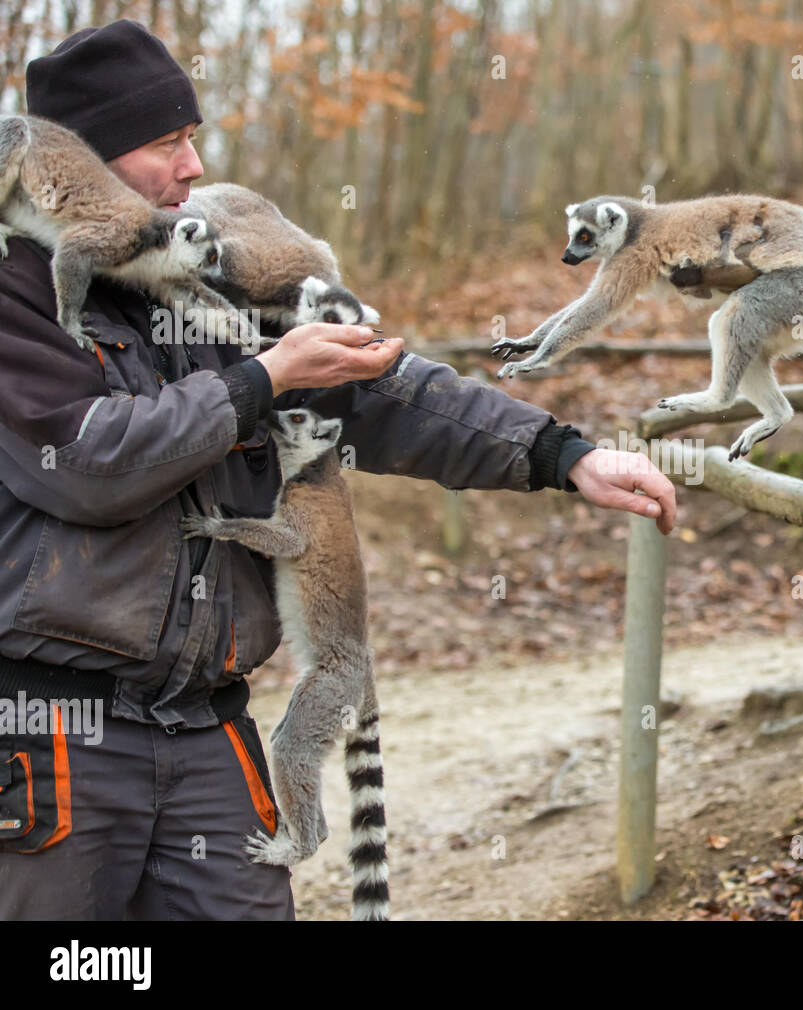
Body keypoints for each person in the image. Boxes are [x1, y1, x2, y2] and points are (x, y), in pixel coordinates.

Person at [0, 19, 675, 920]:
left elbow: (380, 386)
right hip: (57, 732)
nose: (194, 167)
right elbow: (86, 463)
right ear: (87, 163)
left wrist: (563, 453)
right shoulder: (24, 293)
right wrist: (263, 378)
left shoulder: (214, 266)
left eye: (194, 138)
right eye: (166, 144)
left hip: (206, 724)